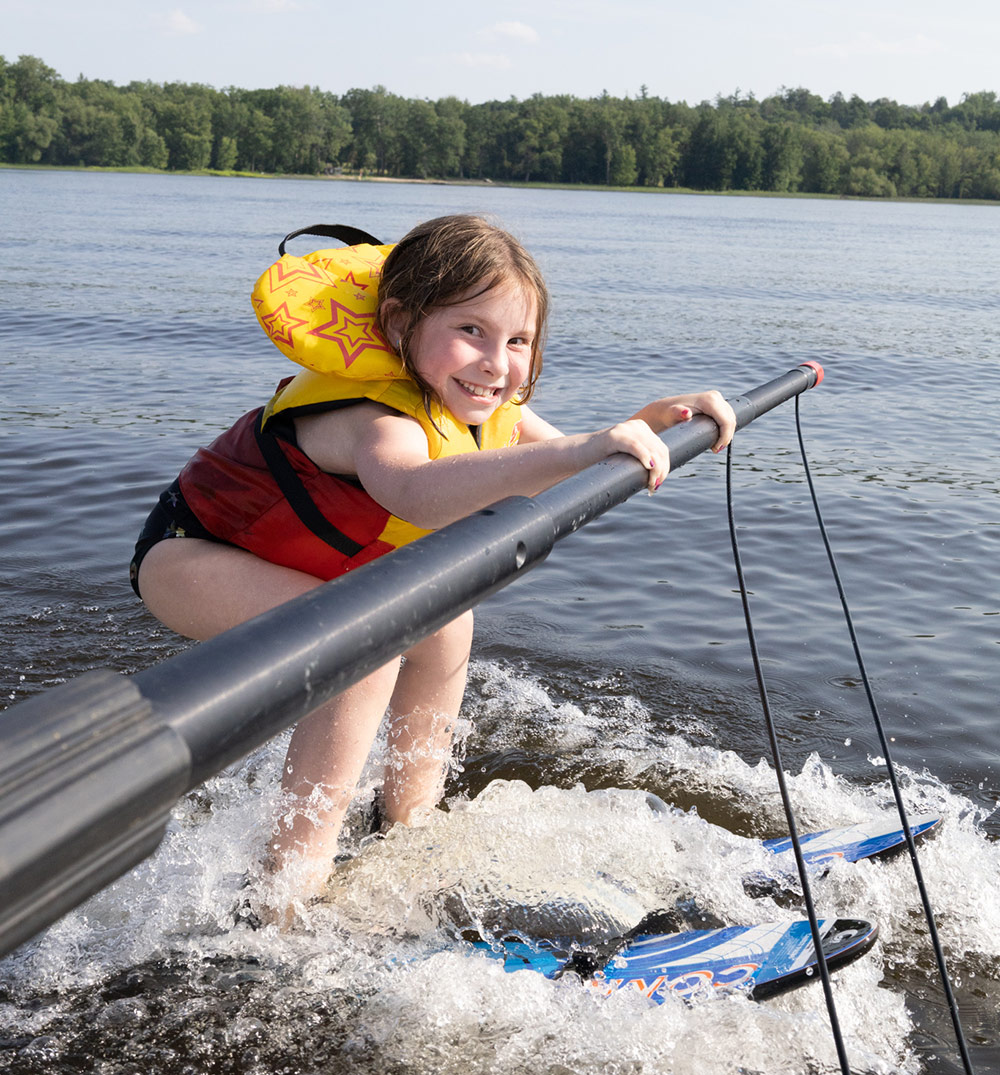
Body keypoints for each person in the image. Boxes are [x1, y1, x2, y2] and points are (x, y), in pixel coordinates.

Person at [130, 213, 736, 919]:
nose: (496, 362)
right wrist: (585, 449)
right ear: (399, 321)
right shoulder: (376, 417)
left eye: (517, 340)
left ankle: (407, 828)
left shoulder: (480, 403)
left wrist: (652, 424)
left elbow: (566, 453)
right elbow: (412, 488)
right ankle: (288, 893)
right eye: (470, 331)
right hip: (193, 552)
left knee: (446, 622)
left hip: (295, 560)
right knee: (365, 643)